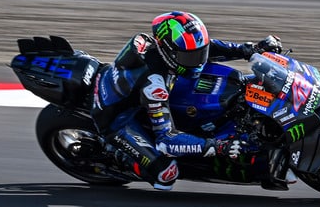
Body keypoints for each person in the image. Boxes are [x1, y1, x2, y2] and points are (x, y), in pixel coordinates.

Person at [91, 10, 285, 191]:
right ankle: (118, 155)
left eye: (199, 53)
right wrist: (218, 146)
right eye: (191, 56)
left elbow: (206, 49)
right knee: (165, 175)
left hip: (133, 90)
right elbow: (167, 140)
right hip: (117, 119)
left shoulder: (167, 50)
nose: (199, 60)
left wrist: (251, 50)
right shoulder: (155, 85)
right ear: (169, 52)